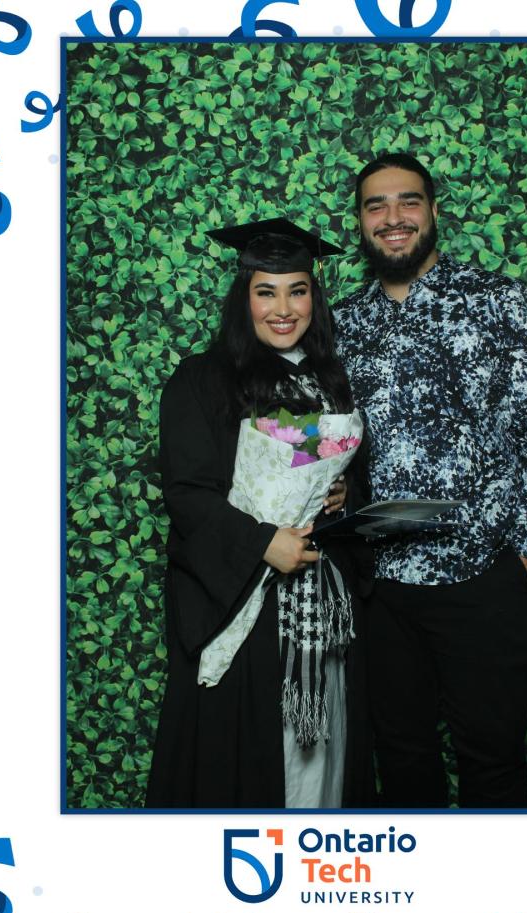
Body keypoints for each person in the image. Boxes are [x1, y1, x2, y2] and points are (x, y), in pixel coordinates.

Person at [332, 152, 527, 809]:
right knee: (401, 763)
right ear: (360, 222)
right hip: (381, 588)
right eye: (376, 206)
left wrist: (524, 559)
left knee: (493, 765)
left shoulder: (496, 301)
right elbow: (324, 440)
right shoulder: (343, 323)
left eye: (407, 201)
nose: (393, 217)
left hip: (482, 576)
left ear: (433, 212)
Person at [146, 219, 373, 810]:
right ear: (243, 297)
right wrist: (262, 543)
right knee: (249, 759)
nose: (283, 309)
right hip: (246, 598)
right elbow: (188, 492)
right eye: (266, 292)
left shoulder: (331, 382)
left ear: (314, 297)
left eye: (298, 291)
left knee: (324, 755)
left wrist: (343, 493)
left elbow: (338, 471)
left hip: (318, 603)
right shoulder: (202, 379)